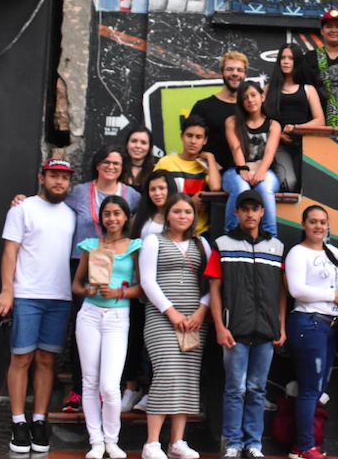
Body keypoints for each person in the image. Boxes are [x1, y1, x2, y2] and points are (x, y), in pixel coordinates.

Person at [11, 145, 141, 414]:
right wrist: (23, 200)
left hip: (119, 269)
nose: (111, 167)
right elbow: (50, 206)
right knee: (83, 328)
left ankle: (114, 389)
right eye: (105, 161)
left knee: (117, 333)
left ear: (123, 167)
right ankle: (80, 391)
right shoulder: (80, 192)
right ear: (96, 164)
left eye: (116, 163)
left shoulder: (133, 196)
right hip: (81, 264)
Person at [0, 158, 77, 454]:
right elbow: (10, 251)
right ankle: (18, 421)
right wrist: (7, 291)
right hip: (27, 294)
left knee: (47, 361)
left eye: (64, 178)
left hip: (60, 297)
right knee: (21, 359)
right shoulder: (23, 208)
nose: (59, 182)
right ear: (42, 178)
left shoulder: (71, 214)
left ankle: (39, 420)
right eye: (54, 176)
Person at [207, 190, 288, 459]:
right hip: (234, 332)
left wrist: (281, 326)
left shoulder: (276, 247)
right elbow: (215, 289)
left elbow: (281, 292)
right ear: (237, 212)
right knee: (235, 390)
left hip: (266, 331)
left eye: (255, 208)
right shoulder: (223, 244)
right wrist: (220, 326)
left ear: (263, 212)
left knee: (257, 389)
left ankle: (254, 444)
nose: (250, 213)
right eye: (245, 209)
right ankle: (233, 443)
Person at [139, 194, 212, 459]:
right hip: (162, 318)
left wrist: (202, 311)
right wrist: (172, 313)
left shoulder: (202, 243)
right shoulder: (153, 241)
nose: (183, 217)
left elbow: (212, 282)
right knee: (167, 373)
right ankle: (151, 444)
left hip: (194, 320)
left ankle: (177, 443)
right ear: (167, 214)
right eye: (177, 212)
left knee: (187, 378)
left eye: (188, 212)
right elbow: (147, 281)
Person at [71, 195, 143, 459]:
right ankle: (96, 441)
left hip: (117, 317)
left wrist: (119, 292)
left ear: (125, 218)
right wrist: (87, 289)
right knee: (89, 382)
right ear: (101, 218)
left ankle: (112, 440)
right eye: (107, 214)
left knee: (110, 385)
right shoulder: (90, 245)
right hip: (89, 314)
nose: (112, 218)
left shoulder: (135, 246)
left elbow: (143, 286)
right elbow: (76, 285)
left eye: (117, 213)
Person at [285, 205, 338, 459]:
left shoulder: (330, 251)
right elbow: (296, 289)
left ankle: (300, 446)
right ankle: (306, 447)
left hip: (329, 327)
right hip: (308, 324)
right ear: (304, 224)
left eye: (323, 222)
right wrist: (332, 295)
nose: (318, 227)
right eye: (313, 222)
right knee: (310, 389)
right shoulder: (297, 252)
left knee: (319, 389)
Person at [123, 171, 180, 414]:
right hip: (139, 289)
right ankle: (132, 387)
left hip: (167, 291)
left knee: (160, 344)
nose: (157, 193)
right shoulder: (141, 218)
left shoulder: (178, 216)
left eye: (162, 188)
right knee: (133, 340)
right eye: (153, 189)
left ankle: (155, 391)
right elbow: (132, 250)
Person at [263, 42, 325, 191]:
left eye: (290, 58)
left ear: (297, 61)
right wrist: (278, 135)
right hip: (278, 144)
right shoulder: (268, 89)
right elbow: (261, 120)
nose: (285, 61)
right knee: (288, 182)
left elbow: (320, 120)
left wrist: (296, 129)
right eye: (282, 58)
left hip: (305, 143)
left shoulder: (308, 89)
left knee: (308, 185)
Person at [223, 81, 282, 236]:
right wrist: (243, 169)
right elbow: (236, 148)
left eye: (253, 95)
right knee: (241, 187)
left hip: (265, 170)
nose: (250, 100)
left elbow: (270, 151)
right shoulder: (232, 122)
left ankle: (271, 237)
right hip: (236, 170)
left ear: (262, 97)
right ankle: (231, 235)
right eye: (245, 97)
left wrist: (262, 172)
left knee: (264, 188)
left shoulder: (273, 124)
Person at [154, 114, 222, 237]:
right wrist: (190, 203)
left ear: (205, 140)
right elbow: (154, 198)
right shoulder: (165, 163)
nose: (193, 141)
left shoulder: (208, 167)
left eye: (198, 137)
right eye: (189, 136)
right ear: (182, 136)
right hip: (169, 232)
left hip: (199, 233)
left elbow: (216, 188)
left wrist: (210, 158)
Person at [190, 51, 249, 171]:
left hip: (245, 174)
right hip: (209, 175)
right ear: (222, 72)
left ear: (245, 75)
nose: (235, 73)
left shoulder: (252, 108)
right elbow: (191, 143)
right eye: (230, 69)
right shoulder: (203, 107)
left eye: (239, 70)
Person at [124, 126, 156, 190]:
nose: (138, 146)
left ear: (150, 147)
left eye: (143, 143)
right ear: (127, 144)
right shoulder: (117, 169)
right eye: (134, 141)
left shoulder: (155, 172)